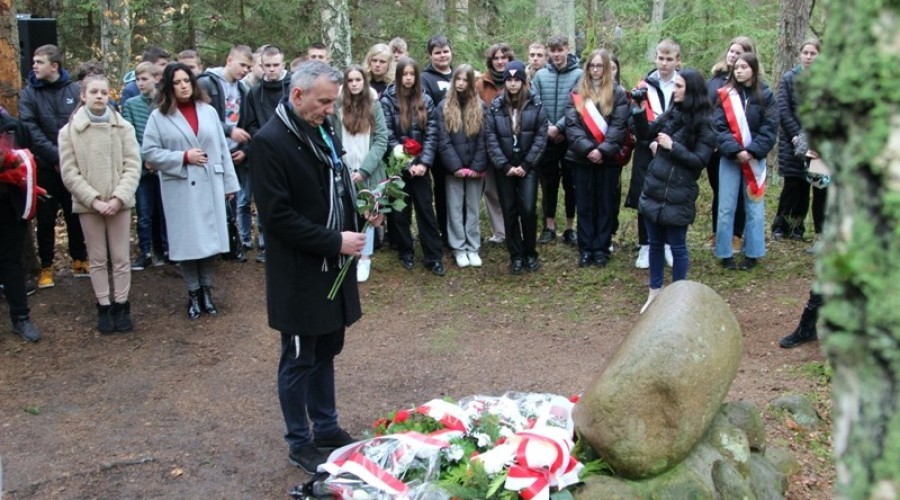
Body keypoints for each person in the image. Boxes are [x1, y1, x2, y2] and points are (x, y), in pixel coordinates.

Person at [251, 60, 378, 473]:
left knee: (326, 350)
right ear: (297, 95)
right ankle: (299, 440)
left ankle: (326, 427)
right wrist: (334, 241)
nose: (330, 109)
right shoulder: (270, 142)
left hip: (331, 266)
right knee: (300, 357)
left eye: (334, 102)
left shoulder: (320, 131)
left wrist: (363, 212)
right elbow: (277, 217)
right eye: (324, 101)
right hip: (300, 274)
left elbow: (338, 187)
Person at [142, 63, 240, 318]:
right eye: (177, 82)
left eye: (187, 80)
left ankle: (207, 290)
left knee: (210, 243)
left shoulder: (207, 111)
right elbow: (150, 153)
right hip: (181, 187)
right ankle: (193, 293)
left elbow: (221, 149)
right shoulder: (159, 116)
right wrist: (182, 156)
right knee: (188, 244)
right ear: (168, 86)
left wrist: (229, 184)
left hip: (210, 184)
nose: (183, 85)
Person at [60, 73, 141, 333]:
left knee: (120, 257)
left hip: (120, 203)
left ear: (110, 95)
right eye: (93, 92)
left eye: (103, 93)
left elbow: (132, 165)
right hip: (89, 205)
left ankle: (122, 305)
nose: (99, 97)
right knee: (96, 258)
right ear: (83, 95)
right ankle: (103, 306)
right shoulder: (69, 132)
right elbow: (69, 172)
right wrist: (94, 201)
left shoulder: (123, 127)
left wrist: (119, 197)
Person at [636, 69, 716, 313]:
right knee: (655, 244)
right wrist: (639, 109)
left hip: (679, 194)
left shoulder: (706, 125)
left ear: (691, 90)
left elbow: (700, 160)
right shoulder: (672, 113)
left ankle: (678, 299)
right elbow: (645, 134)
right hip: (655, 189)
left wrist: (673, 147)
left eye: (679, 86)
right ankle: (655, 293)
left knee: (678, 246)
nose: (675, 90)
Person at [18, 44, 89, 288]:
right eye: (34, 61)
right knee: (46, 219)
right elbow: (30, 129)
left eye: (39, 62)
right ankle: (46, 267)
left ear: (54, 66)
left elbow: (82, 124)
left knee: (76, 213)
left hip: (74, 166)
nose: (34, 66)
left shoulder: (75, 90)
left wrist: (69, 158)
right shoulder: (28, 94)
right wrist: (56, 157)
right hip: (46, 167)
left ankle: (80, 259)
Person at [564, 49, 630, 268]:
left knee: (604, 203)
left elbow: (619, 127)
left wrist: (602, 151)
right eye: (592, 66)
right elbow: (572, 127)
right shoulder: (576, 92)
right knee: (584, 204)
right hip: (581, 158)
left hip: (607, 159)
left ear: (607, 69)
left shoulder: (618, 93)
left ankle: (601, 248)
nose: (595, 70)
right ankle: (586, 248)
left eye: (599, 66)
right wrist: (588, 150)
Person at [380, 57, 445, 276]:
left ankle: (433, 256)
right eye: (404, 74)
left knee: (425, 210)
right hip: (398, 166)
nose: (408, 78)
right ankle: (405, 251)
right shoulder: (387, 100)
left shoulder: (425, 100)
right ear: (398, 76)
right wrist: (404, 162)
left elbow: (432, 133)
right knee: (400, 211)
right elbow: (387, 133)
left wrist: (424, 163)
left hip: (421, 168)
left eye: (411, 74)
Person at [714, 52, 777, 270]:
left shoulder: (766, 96)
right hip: (730, 159)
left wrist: (751, 151)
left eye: (743, 67)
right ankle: (724, 252)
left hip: (754, 160)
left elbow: (770, 129)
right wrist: (735, 151)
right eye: (736, 67)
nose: (738, 70)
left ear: (753, 69)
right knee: (726, 206)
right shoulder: (724, 95)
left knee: (755, 207)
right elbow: (719, 127)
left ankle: (753, 252)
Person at [484, 60, 548, 275]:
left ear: (523, 82)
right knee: (509, 211)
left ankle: (530, 252)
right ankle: (516, 255)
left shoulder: (535, 103)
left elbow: (541, 136)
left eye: (516, 80)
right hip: (505, 167)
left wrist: (527, 164)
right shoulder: (495, 106)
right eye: (509, 80)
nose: (512, 84)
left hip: (527, 166)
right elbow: (490, 137)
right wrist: (504, 165)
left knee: (528, 210)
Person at [626, 38, 681, 269]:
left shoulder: (682, 86)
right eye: (661, 58)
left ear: (678, 61)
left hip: (673, 148)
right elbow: (633, 119)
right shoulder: (643, 86)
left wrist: (671, 143)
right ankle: (646, 245)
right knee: (645, 195)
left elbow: (688, 118)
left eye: (669, 59)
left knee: (669, 195)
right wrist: (649, 142)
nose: (664, 63)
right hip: (646, 150)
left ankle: (668, 244)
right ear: (655, 58)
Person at [333, 65, 388, 282]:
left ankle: (365, 257)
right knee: (347, 212)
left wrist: (365, 170)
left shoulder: (374, 107)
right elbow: (333, 138)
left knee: (369, 212)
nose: (354, 84)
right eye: (350, 80)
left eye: (358, 80)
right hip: (345, 169)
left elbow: (381, 139)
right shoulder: (337, 109)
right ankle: (349, 253)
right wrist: (344, 167)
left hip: (369, 171)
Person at [198, 45, 253, 262]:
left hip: (233, 152)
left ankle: (228, 244)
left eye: (249, 67)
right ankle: (208, 246)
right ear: (229, 60)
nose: (245, 70)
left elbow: (248, 123)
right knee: (210, 199)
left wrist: (244, 150)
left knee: (231, 198)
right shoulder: (206, 83)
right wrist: (230, 130)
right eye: (242, 65)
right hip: (210, 151)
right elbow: (202, 117)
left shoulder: (244, 89)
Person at [706, 36, 756, 252]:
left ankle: (736, 234)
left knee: (738, 192)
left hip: (740, 148)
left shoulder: (750, 87)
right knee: (719, 190)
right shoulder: (714, 81)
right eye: (731, 51)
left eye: (739, 52)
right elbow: (708, 113)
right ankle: (718, 232)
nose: (733, 56)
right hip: (715, 147)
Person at [531, 34, 581, 246]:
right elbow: (535, 102)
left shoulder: (579, 74)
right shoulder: (541, 75)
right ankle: (549, 226)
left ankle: (570, 227)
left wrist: (560, 126)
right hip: (546, 138)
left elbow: (579, 103)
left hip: (570, 138)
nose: (557, 54)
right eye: (553, 50)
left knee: (571, 184)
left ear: (567, 49)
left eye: (560, 50)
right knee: (548, 184)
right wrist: (549, 127)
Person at [244, 45, 292, 264]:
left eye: (276, 65)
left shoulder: (293, 88)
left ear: (283, 64)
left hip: (292, 151)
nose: (272, 70)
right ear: (261, 66)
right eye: (267, 66)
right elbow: (249, 124)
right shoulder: (254, 92)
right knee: (267, 200)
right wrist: (265, 138)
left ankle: (290, 242)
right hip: (265, 152)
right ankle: (266, 244)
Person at [773, 37, 823, 243]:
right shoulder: (789, 78)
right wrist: (797, 137)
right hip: (792, 141)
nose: (809, 57)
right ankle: (783, 226)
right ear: (799, 55)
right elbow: (783, 110)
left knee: (819, 186)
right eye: (805, 53)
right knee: (794, 185)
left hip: (819, 144)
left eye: (813, 53)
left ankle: (807, 230)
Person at [437, 64, 487, 268]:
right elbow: (443, 140)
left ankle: (473, 247)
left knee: (473, 208)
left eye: (465, 80)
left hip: (476, 168)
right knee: (455, 207)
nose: (460, 83)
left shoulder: (481, 106)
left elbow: (485, 139)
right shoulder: (443, 107)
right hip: (453, 168)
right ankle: (458, 247)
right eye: (457, 79)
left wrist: (476, 165)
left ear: (471, 83)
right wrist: (455, 166)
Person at [0, 109, 41, 342]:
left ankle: (21, 318)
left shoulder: (11, 126)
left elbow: (26, 159)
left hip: (7, 207)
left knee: (11, 262)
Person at [123, 61, 168, 270]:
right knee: (144, 212)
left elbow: (168, 134)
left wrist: (159, 159)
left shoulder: (165, 102)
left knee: (165, 210)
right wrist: (146, 159)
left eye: (144, 79)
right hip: (142, 168)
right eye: (138, 79)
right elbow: (129, 136)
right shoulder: (131, 104)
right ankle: (145, 251)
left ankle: (166, 249)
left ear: (156, 79)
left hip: (164, 166)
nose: (140, 83)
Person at [474, 42, 514, 245]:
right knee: (491, 190)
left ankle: (516, 228)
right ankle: (500, 232)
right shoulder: (481, 83)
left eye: (504, 58)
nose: (500, 62)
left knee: (512, 189)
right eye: (496, 58)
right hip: (488, 144)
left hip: (513, 146)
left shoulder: (520, 80)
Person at [421, 35, 454, 247]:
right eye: (437, 52)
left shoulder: (459, 74)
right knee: (441, 190)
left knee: (459, 191)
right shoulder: (425, 78)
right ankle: (443, 231)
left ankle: (458, 231)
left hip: (461, 143)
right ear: (430, 55)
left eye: (445, 51)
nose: (442, 56)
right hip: (437, 143)